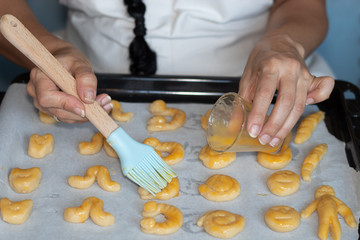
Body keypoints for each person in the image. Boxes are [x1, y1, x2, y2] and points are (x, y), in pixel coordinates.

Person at [0, 0, 334, 148]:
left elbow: (305, 4)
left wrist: (284, 42)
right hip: (84, 82)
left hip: (261, 84)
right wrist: (46, 51)